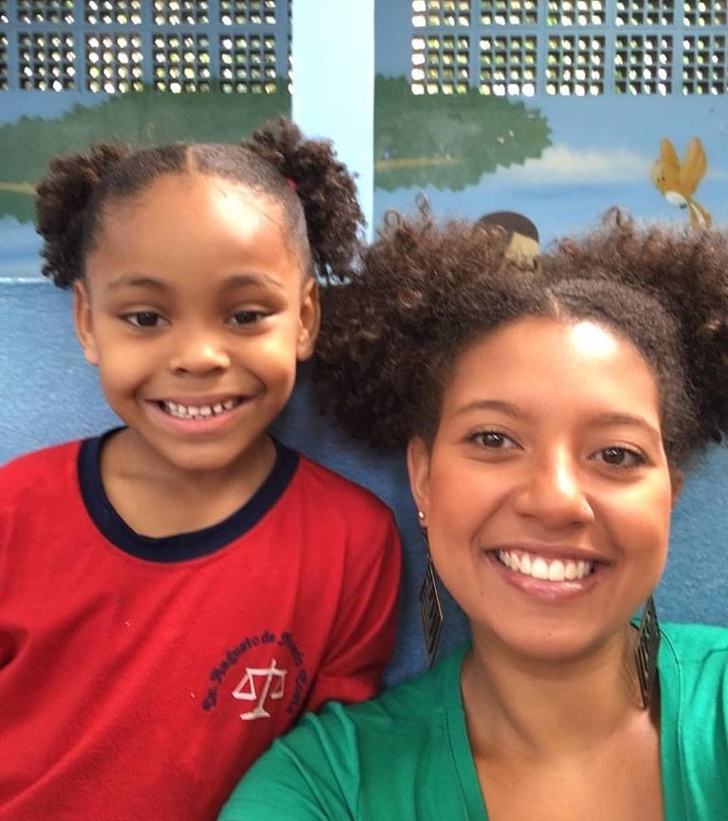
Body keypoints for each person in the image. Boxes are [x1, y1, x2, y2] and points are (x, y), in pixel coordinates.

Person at [219, 206, 728, 820]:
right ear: (424, 480)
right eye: (493, 439)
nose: (555, 499)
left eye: (617, 454)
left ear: (670, 494)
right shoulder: (323, 788)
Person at [0, 119, 401, 820]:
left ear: (305, 317)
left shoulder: (352, 544)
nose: (198, 356)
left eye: (245, 314)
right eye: (147, 317)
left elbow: (330, 771)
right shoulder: (13, 513)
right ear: (89, 323)